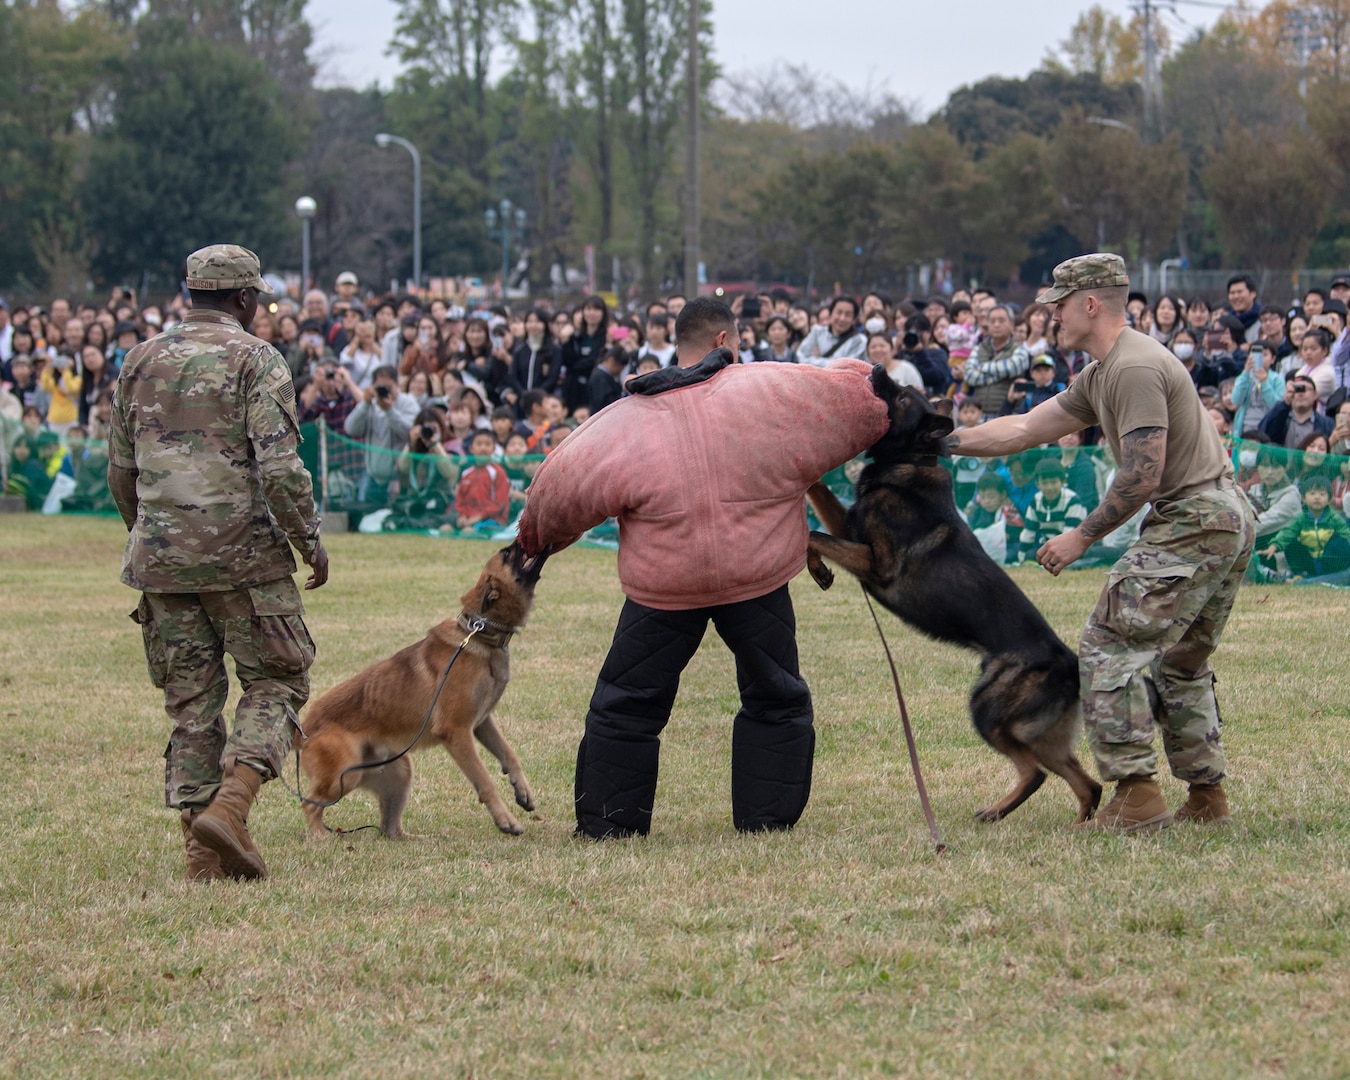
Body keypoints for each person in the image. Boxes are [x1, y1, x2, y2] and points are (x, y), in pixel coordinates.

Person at [515, 297, 888, 838]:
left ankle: (611, 825)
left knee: (626, 704)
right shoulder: (770, 389)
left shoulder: (623, 420)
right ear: (723, 342)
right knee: (776, 695)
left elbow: (555, 493)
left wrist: (537, 541)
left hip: (665, 587)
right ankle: (767, 822)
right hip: (756, 577)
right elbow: (866, 396)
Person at [946, 253, 1255, 833]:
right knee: (1181, 662)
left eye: (1058, 305)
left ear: (1091, 304)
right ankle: (1207, 799)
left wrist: (1081, 536)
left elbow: (1143, 474)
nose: (1051, 317)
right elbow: (1024, 428)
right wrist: (940, 442)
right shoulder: (1102, 372)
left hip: (1193, 517)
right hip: (1219, 515)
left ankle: (1137, 797)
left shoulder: (1134, 368)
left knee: (1107, 643)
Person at [107, 244, 328, 883]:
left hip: (160, 560)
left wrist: (154, 536)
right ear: (244, 299)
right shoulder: (258, 360)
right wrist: (307, 539)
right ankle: (231, 809)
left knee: (191, 703)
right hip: (247, 559)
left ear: (189, 292)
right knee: (279, 680)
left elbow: (121, 472)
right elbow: (280, 466)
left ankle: (202, 854)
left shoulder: (138, 359)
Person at [344, 365, 420, 505]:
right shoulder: (370, 404)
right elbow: (350, 429)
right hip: (372, 476)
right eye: (380, 386)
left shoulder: (408, 403)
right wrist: (365, 404)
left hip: (400, 477)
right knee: (368, 521)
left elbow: (411, 434)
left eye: (388, 386)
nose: (385, 390)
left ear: (397, 385)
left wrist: (390, 411)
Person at [1258, 475, 1350, 579]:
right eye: (1312, 493)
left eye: (1322, 494)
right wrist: (1274, 546)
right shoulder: (1300, 519)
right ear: (1303, 499)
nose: (1317, 497)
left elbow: (1346, 535)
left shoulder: (1334, 519)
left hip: (1328, 560)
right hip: (1309, 560)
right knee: (1291, 543)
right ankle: (1301, 573)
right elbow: (1287, 533)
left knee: (1340, 542)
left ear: (1329, 499)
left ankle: (1331, 574)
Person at [797, 296, 867, 367]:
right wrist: (835, 362)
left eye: (848, 315)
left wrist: (815, 359)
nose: (842, 318)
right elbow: (801, 356)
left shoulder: (860, 341)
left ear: (854, 320)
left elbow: (847, 367)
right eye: (839, 312)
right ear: (830, 314)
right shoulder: (817, 332)